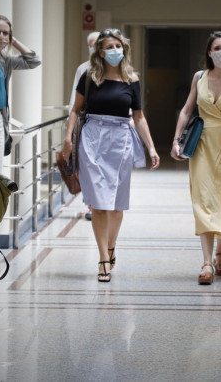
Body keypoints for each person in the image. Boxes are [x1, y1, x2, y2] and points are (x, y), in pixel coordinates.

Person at [60, 28, 160, 282]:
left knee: (116, 206)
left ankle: (111, 245)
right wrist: (68, 140)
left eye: (118, 46)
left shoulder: (131, 79)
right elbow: (75, 110)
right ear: (100, 51)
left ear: (124, 49)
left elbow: (138, 116)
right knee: (99, 205)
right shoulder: (89, 76)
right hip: (93, 140)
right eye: (109, 46)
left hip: (120, 140)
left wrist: (151, 148)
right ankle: (103, 258)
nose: (114, 50)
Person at [170, 31, 221, 285]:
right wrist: (176, 139)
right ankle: (206, 263)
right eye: (217, 47)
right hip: (203, 143)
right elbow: (186, 110)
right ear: (209, 52)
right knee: (204, 200)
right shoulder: (199, 78)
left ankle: (220, 253)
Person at [0, 14, 41, 173]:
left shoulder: (4, 59)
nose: (1, 36)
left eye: (5, 33)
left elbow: (33, 60)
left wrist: (12, 40)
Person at [69, 31, 99, 221]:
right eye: (92, 44)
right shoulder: (83, 69)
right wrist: (69, 132)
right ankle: (91, 205)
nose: (95, 47)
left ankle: (99, 205)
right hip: (85, 124)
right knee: (87, 168)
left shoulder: (115, 69)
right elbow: (74, 101)